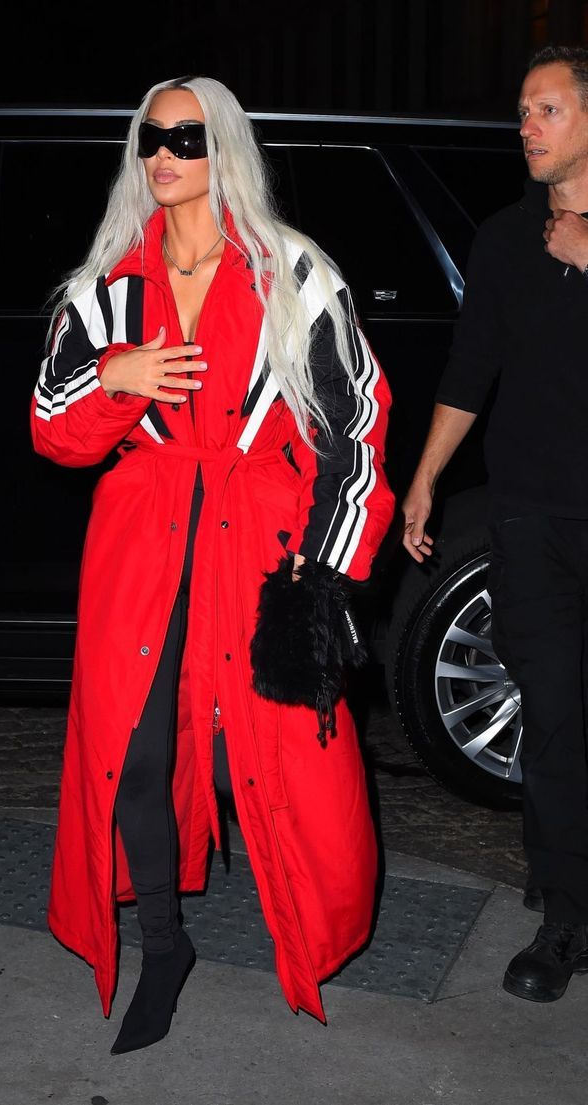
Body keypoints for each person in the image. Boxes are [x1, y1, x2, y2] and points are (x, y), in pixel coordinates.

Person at [31, 75, 394, 1054]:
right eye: (151, 136)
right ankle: (162, 945)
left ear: (222, 146)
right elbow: (51, 426)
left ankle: (311, 929)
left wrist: (323, 574)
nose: (165, 154)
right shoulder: (105, 289)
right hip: (142, 549)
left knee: (282, 760)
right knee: (136, 755)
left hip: (262, 547)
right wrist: (116, 377)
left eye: (186, 138)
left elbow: (355, 427)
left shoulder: (293, 273)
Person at [401, 44, 588, 1004]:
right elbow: (469, 369)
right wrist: (426, 478)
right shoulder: (503, 239)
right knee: (551, 716)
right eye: (521, 111)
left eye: (545, 110)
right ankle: (563, 916)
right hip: (528, 517)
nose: (525, 127)